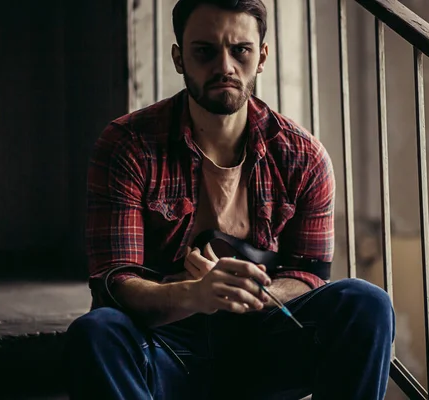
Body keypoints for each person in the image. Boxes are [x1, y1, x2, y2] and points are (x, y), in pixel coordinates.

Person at [64, 0, 395, 398]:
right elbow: (114, 282)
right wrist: (195, 294)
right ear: (179, 58)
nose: (225, 67)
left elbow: (309, 274)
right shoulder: (127, 145)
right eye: (205, 51)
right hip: (166, 346)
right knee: (96, 332)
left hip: (263, 344)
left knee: (366, 303)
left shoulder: (303, 155)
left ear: (261, 57)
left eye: (240, 50)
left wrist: (246, 291)